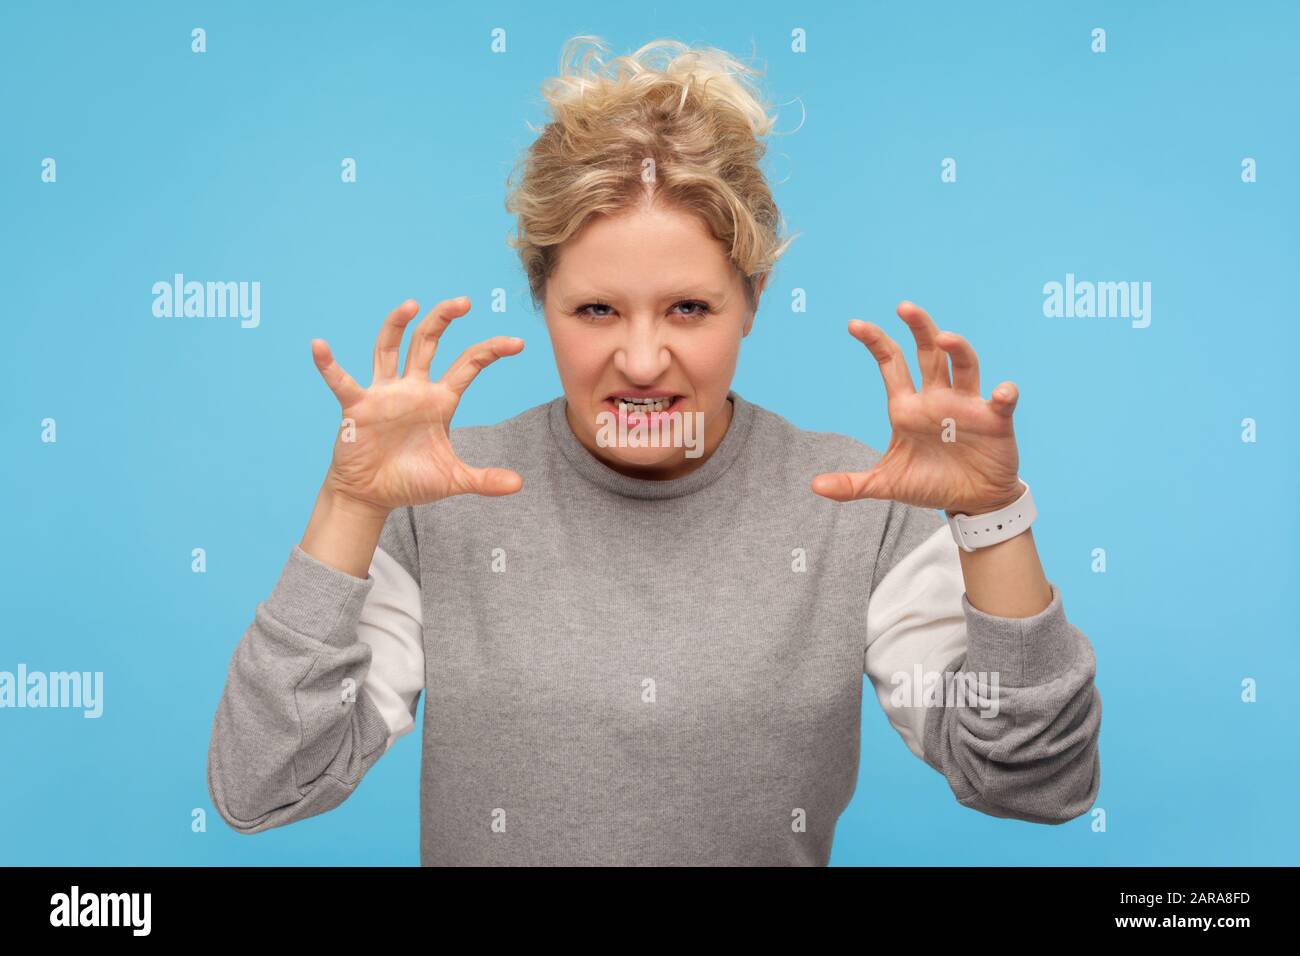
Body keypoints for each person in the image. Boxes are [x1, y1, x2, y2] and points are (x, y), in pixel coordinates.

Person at [206, 36, 1101, 866]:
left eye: (688, 309)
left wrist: (992, 520)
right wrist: (351, 506)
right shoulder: (436, 502)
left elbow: (1034, 782)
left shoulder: (860, 507)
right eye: (596, 310)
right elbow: (264, 784)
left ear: (751, 302)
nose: (640, 361)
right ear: (541, 301)